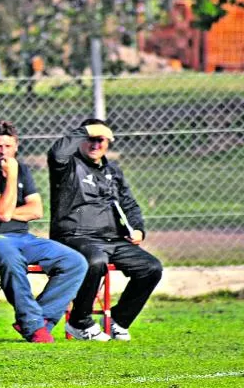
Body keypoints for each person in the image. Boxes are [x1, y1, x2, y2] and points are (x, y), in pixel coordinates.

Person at [0, 120, 87, 343]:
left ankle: (41, 321)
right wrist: (10, 180)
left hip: (22, 237)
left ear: (16, 147)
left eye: (8, 147)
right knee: (10, 255)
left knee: (75, 261)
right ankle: (34, 326)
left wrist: (4, 210)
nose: (2, 152)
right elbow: (3, 214)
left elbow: (36, 210)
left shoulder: (23, 170)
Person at [48, 119, 163, 342]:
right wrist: (85, 130)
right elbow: (56, 153)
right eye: (90, 139)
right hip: (74, 236)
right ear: (81, 140)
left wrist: (138, 229)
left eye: (100, 140)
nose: (95, 144)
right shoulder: (67, 165)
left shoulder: (113, 171)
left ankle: (118, 321)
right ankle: (79, 322)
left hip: (112, 239)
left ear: (107, 143)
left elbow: (129, 204)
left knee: (151, 267)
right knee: (95, 260)